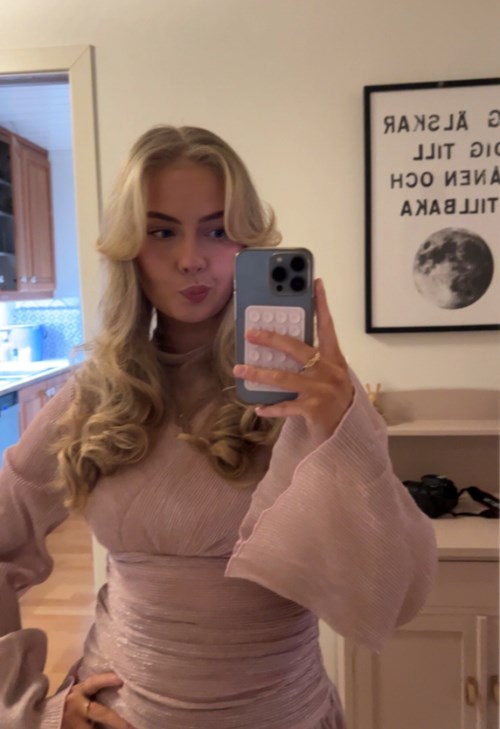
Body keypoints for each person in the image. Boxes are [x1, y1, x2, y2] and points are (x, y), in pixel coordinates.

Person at [0, 125, 437, 729]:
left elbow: (396, 596)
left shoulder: (315, 395)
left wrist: (344, 430)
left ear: (248, 243)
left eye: (216, 230)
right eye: (161, 231)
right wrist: (30, 711)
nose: (190, 259)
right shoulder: (96, 395)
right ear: (129, 248)